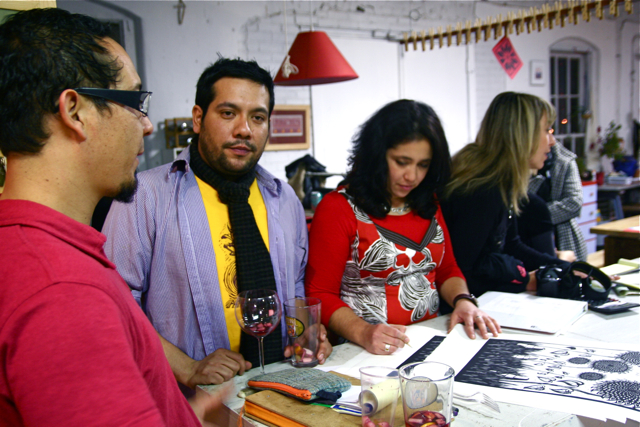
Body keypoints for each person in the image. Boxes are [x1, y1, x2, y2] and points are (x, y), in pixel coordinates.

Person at [0, 8, 224, 425]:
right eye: (136, 101)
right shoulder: (62, 290)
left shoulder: (29, 248)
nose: (148, 125)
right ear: (75, 110)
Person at [103, 57, 331, 391]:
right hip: (187, 404)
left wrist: (306, 333)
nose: (244, 130)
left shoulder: (285, 202)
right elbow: (114, 306)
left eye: (258, 117)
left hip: (282, 388)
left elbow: (294, 289)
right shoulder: (145, 197)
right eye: (228, 113)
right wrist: (188, 368)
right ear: (198, 119)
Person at [305, 100, 501, 356]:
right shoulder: (338, 208)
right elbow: (320, 292)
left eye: (423, 165)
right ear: (377, 155)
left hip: (428, 343)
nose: (412, 176)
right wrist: (363, 331)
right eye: (402, 162)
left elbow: (447, 269)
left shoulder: (427, 202)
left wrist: (463, 301)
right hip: (364, 350)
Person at [442, 92, 575, 298]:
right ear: (523, 135)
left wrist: (569, 268)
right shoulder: (482, 190)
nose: (552, 141)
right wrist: (524, 282)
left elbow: (513, 246)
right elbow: (464, 270)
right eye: (546, 131)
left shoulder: (501, 181)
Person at [523, 134, 588, 261]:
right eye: (545, 131)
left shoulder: (565, 160)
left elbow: (574, 203)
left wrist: (536, 218)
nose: (552, 140)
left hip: (564, 238)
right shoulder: (520, 165)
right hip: (530, 240)